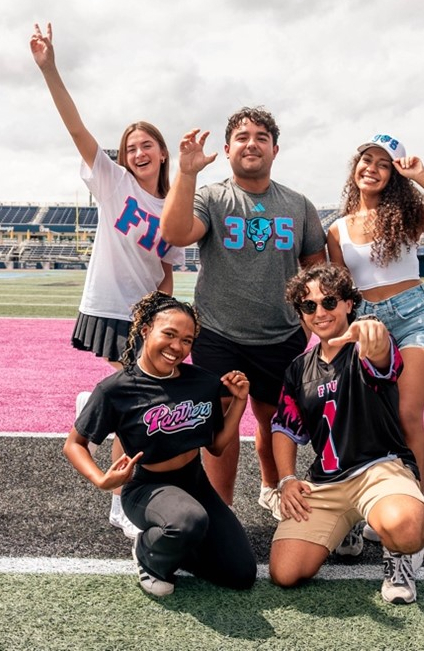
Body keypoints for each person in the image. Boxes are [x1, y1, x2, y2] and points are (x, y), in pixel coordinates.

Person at [30, 23, 184, 538]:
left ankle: (95, 404)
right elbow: (76, 129)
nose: (137, 152)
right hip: (107, 304)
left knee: (133, 401)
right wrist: (50, 69)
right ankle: (122, 499)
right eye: (130, 146)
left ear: (163, 153)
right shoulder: (113, 182)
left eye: (147, 145)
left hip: (143, 313)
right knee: (136, 404)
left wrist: (164, 315)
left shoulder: (175, 207)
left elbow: (166, 269)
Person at [160, 108, 326, 517]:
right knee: (222, 422)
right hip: (219, 332)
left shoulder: (299, 204)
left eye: (261, 137)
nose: (251, 143)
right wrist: (186, 173)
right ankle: (221, 511)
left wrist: (312, 327)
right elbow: (176, 233)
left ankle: (272, 487)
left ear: (275, 149)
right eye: (242, 137)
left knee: (274, 422)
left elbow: (319, 273)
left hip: (281, 334)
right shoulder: (211, 196)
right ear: (227, 148)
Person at [63, 291, 257, 597]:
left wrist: (239, 403)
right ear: (145, 330)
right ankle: (148, 552)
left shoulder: (202, 383)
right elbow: (74, 444)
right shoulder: (116, 389)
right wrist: (101, 479)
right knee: (189, 520)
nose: (177, 347)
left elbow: (217, 447)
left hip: (194, 481)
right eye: (169, 334)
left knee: (241, 573)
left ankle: (177, 538)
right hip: (147, 487)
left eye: (187, 340)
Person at [268, 263, 424, 604]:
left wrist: (374, 334)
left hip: (378, 470)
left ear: (348, 303)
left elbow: (379, 352)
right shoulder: (299, 368)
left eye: (329, 302)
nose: (320, 312)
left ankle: (400, 559)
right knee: (285, 572)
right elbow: (284, 427)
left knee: (407, 529)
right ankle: (351, 522)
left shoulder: (365, 347)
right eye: (309, 306)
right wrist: (285, 479)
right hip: (326, 482)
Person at [327, 134, 424, 501]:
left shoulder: (408, 216)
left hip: (413, 318)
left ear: (394, 175)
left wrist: (421, 176)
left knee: (407, 415)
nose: (373, 168)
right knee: (368, 419)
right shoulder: (337, 229)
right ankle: (371, 499)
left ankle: (414, 505)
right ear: (356, 166)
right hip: (366, 323)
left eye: (384, 164)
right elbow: (342, 289)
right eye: (367, 160)